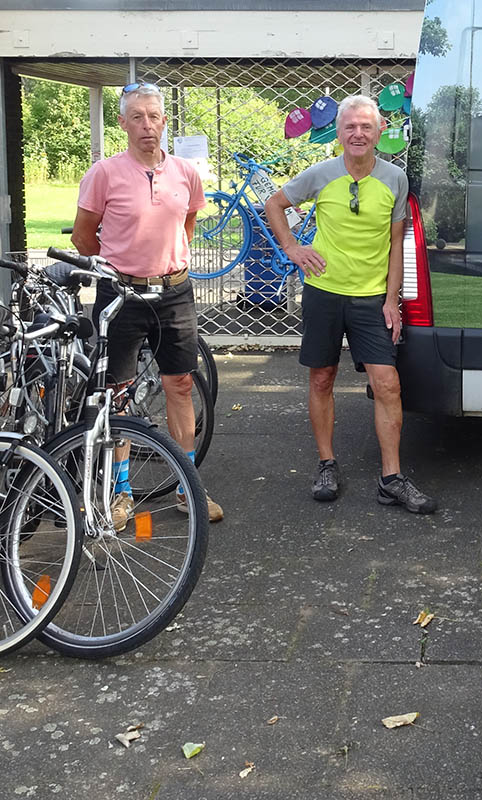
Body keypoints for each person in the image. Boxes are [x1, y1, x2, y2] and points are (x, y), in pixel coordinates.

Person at [264, 94, 437, 514]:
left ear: (379, 132)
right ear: (338, 133)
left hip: (371, 299)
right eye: (349, 127)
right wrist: (292, 248)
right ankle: (327, 465)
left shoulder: (395, 179)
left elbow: (397, 244)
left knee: (388, 383)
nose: (358, 134)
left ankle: (391, 478)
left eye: (366, 127)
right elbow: (274, 204)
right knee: (321, 379)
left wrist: (392, 300)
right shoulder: (321, 174)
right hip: (325, 292)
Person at [71, 82, 223, 524]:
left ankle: (187, 485)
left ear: (164, 121)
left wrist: (165, 263)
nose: (146, 125)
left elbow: (187, 221)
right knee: (117, 392)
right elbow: (84, 235)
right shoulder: (104, 173)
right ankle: (121, 492)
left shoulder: (185, 173)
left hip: (174, 291)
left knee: (179, 385)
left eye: (154, 116)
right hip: (120, 293)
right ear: (122, 123)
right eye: (136, 117)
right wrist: (123, 265)